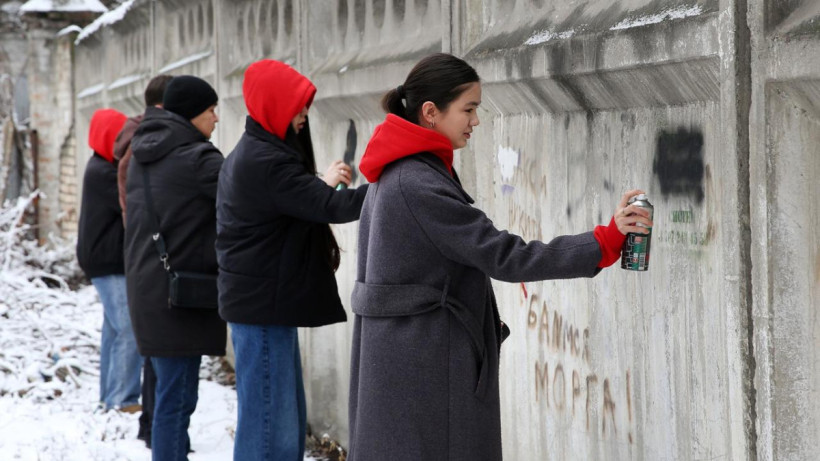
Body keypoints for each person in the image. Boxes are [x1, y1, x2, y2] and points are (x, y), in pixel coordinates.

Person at [347, 53, 653, 460]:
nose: (476, 120)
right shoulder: (417, 182)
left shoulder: (398, 171)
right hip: (429, 374)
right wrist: (604, 241)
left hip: (407, 369)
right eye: (469, 109)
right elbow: (506, 256)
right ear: (430, 113)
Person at [215, 59, 368, 461]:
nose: (304, 115)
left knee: (274, 421)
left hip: (259, 305)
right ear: (275, 105)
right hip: (262, 309)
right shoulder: (267, 161)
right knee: (272, 430)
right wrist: (400, 181)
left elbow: (295, 201)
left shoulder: (256, 152)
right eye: (298, 106)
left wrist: (322, 184)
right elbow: (332, 208)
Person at [124, 75, 226, 460]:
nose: (216, 119)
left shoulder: (143, 152)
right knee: (175, 402)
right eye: (211, 110)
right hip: (179, 297)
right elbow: (249, 195)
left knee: (170, 396)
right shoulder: (197, 158)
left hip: (149, 286)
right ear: (193, 114)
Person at [112, 73, 173, 449]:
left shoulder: (137, 138)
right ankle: (152, 427)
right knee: (159, 354)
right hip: (152, 255)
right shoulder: (144, 144)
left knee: (157, 354)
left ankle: (151, 425)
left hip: (144, 253)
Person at [76, 108, 142, 414]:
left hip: (106, 260)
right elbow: (134, 202)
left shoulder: (101, 166)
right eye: (119, 137)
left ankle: (108, 396)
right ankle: (124, 400)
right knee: (129, 328)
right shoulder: (104, 172)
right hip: (108, 262)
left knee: (114, 330)